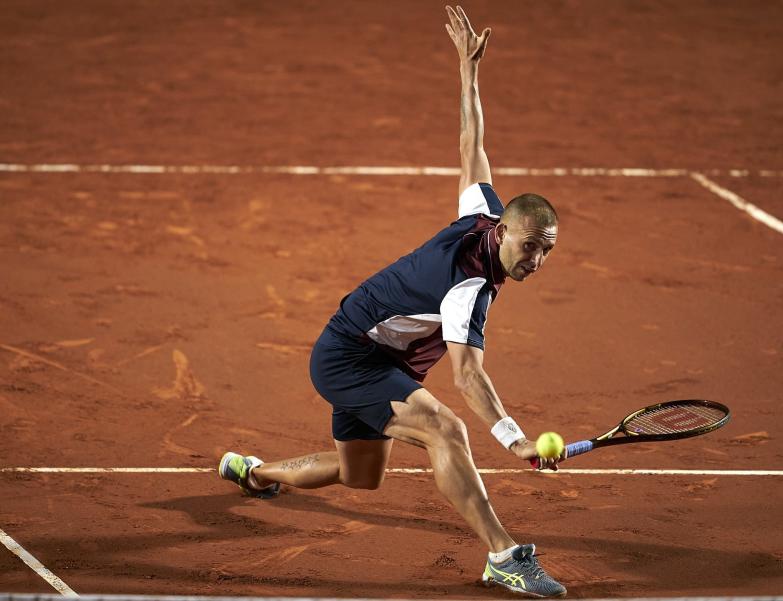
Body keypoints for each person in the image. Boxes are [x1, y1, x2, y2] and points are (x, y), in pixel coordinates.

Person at [218, 6, 566, 597]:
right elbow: (468, 375)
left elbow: (471, 144)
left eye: (547, 250)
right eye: (529, 246)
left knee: (359, 475)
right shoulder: (468, 285)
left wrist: (468, 73)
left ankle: (252, 472)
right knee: (446, 429)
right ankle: (504, 555)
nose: (535, 260)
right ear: (505, 234)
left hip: (371, 352)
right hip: (351, 359)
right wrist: (515, 439)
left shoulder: (481, 213)